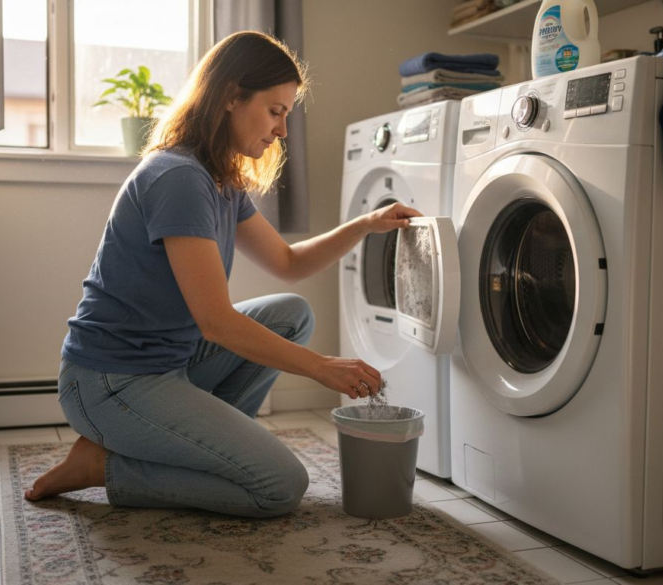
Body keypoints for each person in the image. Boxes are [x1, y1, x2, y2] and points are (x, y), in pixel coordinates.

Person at [25, 31, 420, 518]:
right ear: (232, 96)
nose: (281, 131)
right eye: (275, 111)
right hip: (110, 382)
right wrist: (320, 367)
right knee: (278, 487)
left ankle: (204, 449)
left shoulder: (220, 182)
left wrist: (367, 224)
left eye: (286, 116)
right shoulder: (179, 178)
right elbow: (216, 321)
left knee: (289, 314)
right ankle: (103, 467)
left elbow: (288, 264)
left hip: (167, 365)